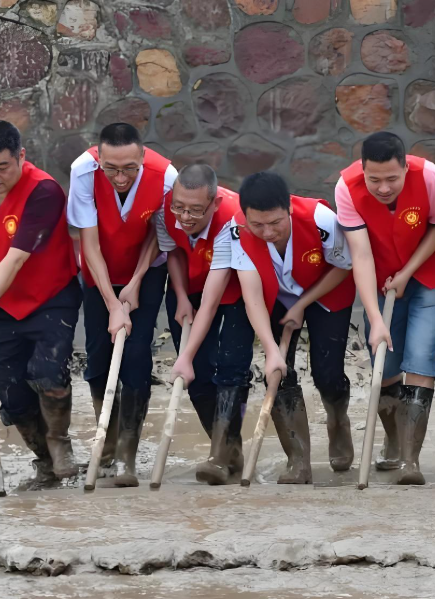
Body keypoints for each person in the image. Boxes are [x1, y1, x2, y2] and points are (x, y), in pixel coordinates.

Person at [336, 131, 435, 485]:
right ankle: (394, 439)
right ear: (363, 170)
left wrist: (408, 272)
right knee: (384, 362)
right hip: (381, 278)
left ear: (405, 168)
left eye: (392, 178)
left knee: (420, 358)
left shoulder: (430, 177)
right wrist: (374, 320)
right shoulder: (346, 189)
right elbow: (361, 255)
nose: (383, 188)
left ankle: (410, 460)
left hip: (429, 273)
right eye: (374, 180)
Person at [67, 122, 176, 487]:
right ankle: (107, 447)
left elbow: (158, 236)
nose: (120, 177)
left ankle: (128, 456)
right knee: (98, 356)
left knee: (136, 355)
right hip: (99, 272)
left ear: (142, 156)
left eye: (129, 168)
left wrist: (135, 282)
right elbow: (89, 244)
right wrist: (113, 303)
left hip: (145, 273)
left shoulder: (165, 176)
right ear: (99, 158)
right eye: (111, 168)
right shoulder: (84, 170)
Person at [232, 172, 356, 484]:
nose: (267, 232)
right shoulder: (236, 232)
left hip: (326, 291)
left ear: (288, 208)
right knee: (277, 373)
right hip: (275, 296)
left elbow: (344, 266)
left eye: (275, 222)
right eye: (257, 225)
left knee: (327, 374)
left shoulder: (320, 219)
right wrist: (270, 350)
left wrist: (302, 304)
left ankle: (338, 420)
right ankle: (298, 461)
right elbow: (251, 296)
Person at [151, 164, 253, 485]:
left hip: (234, 288)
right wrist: (181, 296)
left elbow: (212, 299)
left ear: (215, 203)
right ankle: (227, 450)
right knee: (195, 373)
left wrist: (184, 354)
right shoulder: (165, 210)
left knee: (232, 368)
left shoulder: (234, 218)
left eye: (195, 210)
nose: (185, 216)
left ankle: (220, 455)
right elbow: (173, 253)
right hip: (190, 285)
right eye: (179, 207)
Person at [0, 121, 82, 486]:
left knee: (48, 373)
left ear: (21, 156)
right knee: (11, 395)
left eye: (2, 167)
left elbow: (16, 259)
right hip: (5, 305)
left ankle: (60, 442)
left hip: (50, 297)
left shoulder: (43, 191)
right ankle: (44, 460)